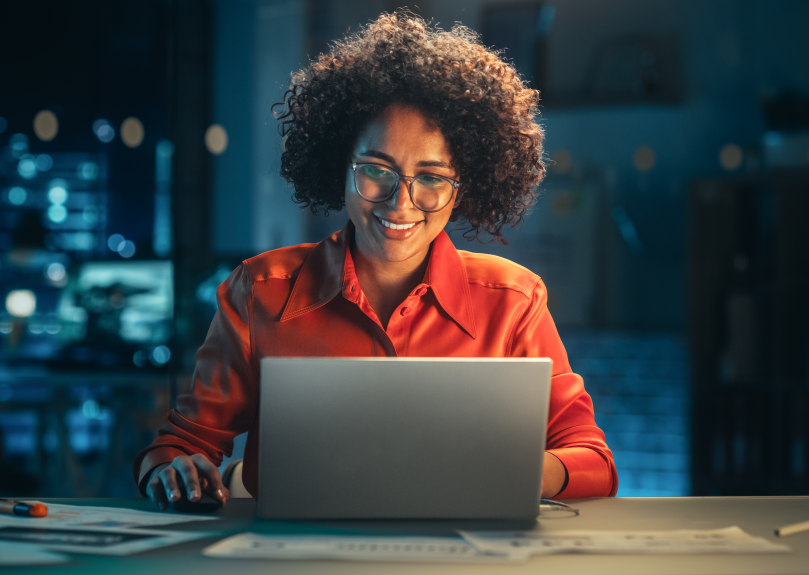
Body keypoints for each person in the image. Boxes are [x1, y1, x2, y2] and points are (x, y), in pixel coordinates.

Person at [134, 12, 618, 510]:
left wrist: (525, 473)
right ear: (339, 168)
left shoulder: (514, 302)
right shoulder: (260, 291)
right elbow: (178, 447)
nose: (400, 203)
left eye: (431, 178)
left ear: (462, 189)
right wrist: (175, 470)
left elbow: (594, 460)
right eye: (375, 170)